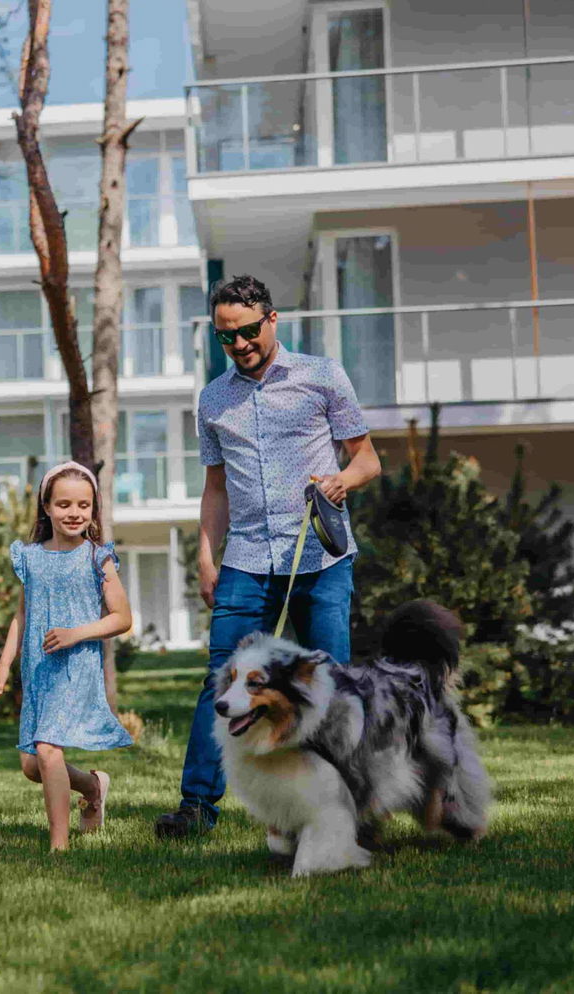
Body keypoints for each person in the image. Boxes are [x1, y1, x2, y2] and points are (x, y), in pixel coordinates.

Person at [153, 275, 382, 840]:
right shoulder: (213, 398)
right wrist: (208, 558)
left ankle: (342, 805)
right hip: (247, 561)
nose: (240, 345)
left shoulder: (321, 376)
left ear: (272, 320)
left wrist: (340, 481)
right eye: (226, 336)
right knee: (220, 682)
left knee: (327, 684)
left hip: (322, 560)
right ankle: (196, 807)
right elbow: (215, 488)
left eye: (249, 331)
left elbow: (367, 461)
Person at [0, 461, 135, 851]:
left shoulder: (96, 558)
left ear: (93, 510)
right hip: (38, 669)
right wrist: (4, 664)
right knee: (33, 765)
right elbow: (22, 614)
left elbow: (122, 618)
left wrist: (75, 633)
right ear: (47, 507)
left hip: (76, 667)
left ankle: (59, 847)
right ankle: (93, 786)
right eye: (65, 504)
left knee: (49, 748)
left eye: (84, 506)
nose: (74, 513)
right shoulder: (30, 558)